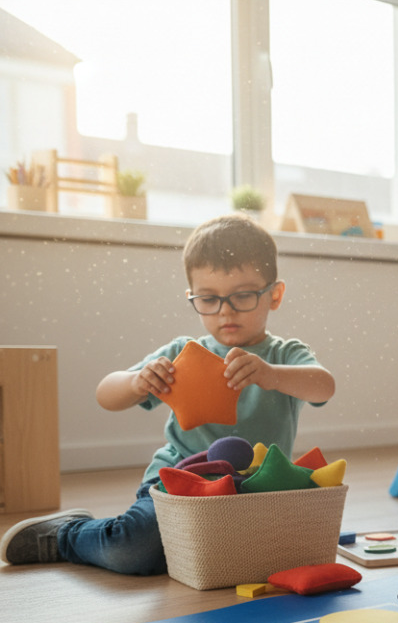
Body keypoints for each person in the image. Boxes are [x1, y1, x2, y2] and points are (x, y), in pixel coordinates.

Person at [0, 214, 336, 574]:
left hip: (251, 493)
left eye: (243, 296)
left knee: (279, 553)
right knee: (134, 550)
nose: (226, 311)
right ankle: (66, 534)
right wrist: (136, 383)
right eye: (209, 299)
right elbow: (105, 395)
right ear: (192, 297)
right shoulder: (181, 353)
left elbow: (323, 385)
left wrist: (272, 375)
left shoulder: (283, 355)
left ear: (275, 295)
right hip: (179, 482)